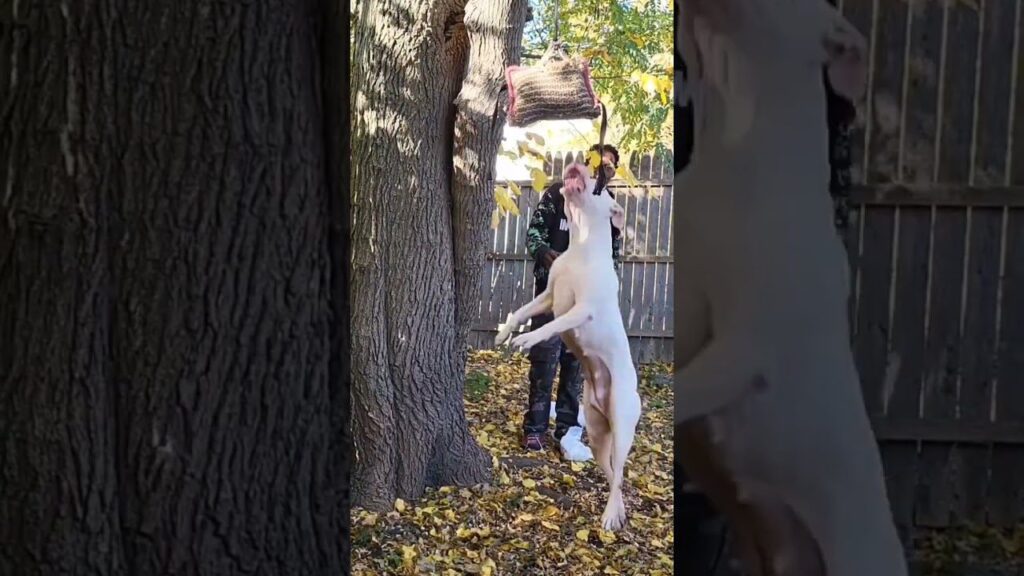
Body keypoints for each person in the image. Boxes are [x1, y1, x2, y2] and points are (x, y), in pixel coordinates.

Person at [521, 143, 624, 459]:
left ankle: (567, 430)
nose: (602, 172)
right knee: (544, 360)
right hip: (552, 297)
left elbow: (613, 258)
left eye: (609, 168)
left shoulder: (607, 208)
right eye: (598, 165)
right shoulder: (556, 194)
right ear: (586, 165)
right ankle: (535, 430)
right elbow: (534, 232)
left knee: (575, 365)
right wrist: (544, 253)